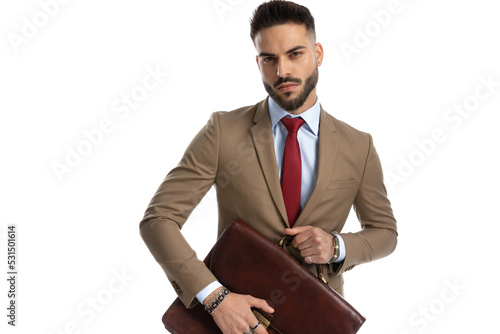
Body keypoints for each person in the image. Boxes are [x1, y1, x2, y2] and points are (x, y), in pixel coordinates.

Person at [139, 1, 398, 333]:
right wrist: (216, 298)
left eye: (295, 54)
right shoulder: (223, 131)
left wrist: (336, 245)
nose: (283, 71)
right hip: (232, 322)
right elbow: (158, 220)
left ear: (318, 54)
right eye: (269, 59)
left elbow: (385, 233)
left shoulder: (358, 146)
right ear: (258, 62)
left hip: (316, 320)